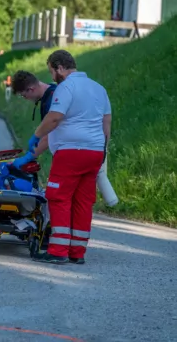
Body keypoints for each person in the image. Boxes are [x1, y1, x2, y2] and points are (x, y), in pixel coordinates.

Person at [22, 50, 111, 265]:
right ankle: (77, 252)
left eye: (52, 71)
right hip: (95, 151)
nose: (52, 76)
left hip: (71, 152)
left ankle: (58, 250)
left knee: (58, 197)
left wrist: (36, 136)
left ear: (60, 67)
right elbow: (106, 123)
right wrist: (103, 151)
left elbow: (54, 118)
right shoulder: (99, 89)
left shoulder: (66, 88)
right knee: (82, 201)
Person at [11, 71, 56, 164]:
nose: (26, 98)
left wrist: (28, 157)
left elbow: (50, 135)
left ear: (31, 89)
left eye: (24, 95)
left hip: (72, 151)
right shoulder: (52, 91)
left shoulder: (52, 100)